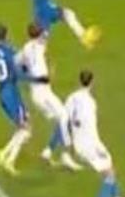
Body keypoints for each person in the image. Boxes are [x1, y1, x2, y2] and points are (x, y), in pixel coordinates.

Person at [15, 23, 82, 171]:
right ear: (38, 35)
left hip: (40, 93)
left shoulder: (25, 49)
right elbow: (45, 36)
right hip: (42, 93)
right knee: (65, 117)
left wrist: (26, 71)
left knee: (63, 119)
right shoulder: (40, 46)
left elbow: (16, 64)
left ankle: (48, 152)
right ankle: (65, 155)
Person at [66, 70, 125, 197]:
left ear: (79, 81)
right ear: (92, 82)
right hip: (90, 145)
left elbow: (65, 120)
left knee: (108, 170)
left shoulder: (71, 98)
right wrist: (98, 148)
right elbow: (90, 128)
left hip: (78, 144)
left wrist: (70, 144)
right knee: (109, 174)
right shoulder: (90, 103)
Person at [0, 24, 39, 176]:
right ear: (5, 35)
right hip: (10, 93)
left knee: (24, 125)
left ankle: (5, 155)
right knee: (26, 129)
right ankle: (7, 158)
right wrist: (35, 78)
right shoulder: (8, 51)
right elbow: (18, 69)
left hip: (4, 92)